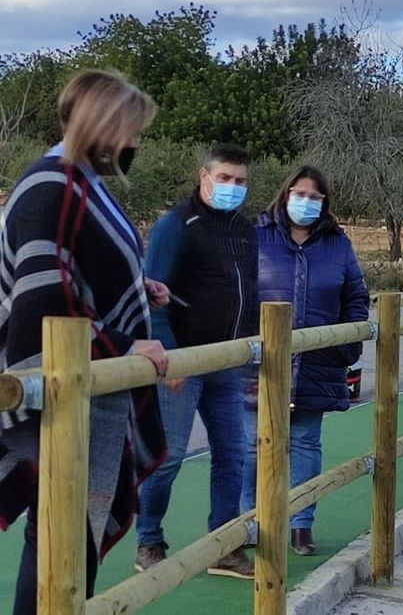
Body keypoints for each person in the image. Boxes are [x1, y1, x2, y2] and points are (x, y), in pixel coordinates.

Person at [0, 69, 170, 615]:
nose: (133, 143)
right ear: (102, 124)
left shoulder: (81, 183)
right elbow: (43, 297)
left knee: (65, 532)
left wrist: (134, 289)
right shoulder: (54, 183)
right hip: (50, 377)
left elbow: (76, 271)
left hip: (76, 380)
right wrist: (123, 345)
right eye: (129, 129)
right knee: (59, 533)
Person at [134, 143, 257, 578]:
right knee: (167, 458)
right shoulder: (175, 224)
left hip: (228, 361)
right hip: (181, 364)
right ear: (204, 176)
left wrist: (253, 351)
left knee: (233, 453)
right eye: (224, 178)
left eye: (240, 181)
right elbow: (151, 293)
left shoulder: (245, 230)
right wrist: (168, 356)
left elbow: (248, 293)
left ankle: (222, 544)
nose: (232, 187)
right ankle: (148, 540)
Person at [241, 165, 369, 556]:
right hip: (258, 364)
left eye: (315, 197)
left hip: (316, 362)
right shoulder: (255, 237)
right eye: (300, 194)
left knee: (304, 443)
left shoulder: (337, 244)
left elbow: (356, 297)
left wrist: (345, 346)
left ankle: (300, 525)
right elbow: (234, 293)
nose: (306, 202)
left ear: (325, 203)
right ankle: (247, 525)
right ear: (285, 194)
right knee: (250, 447)